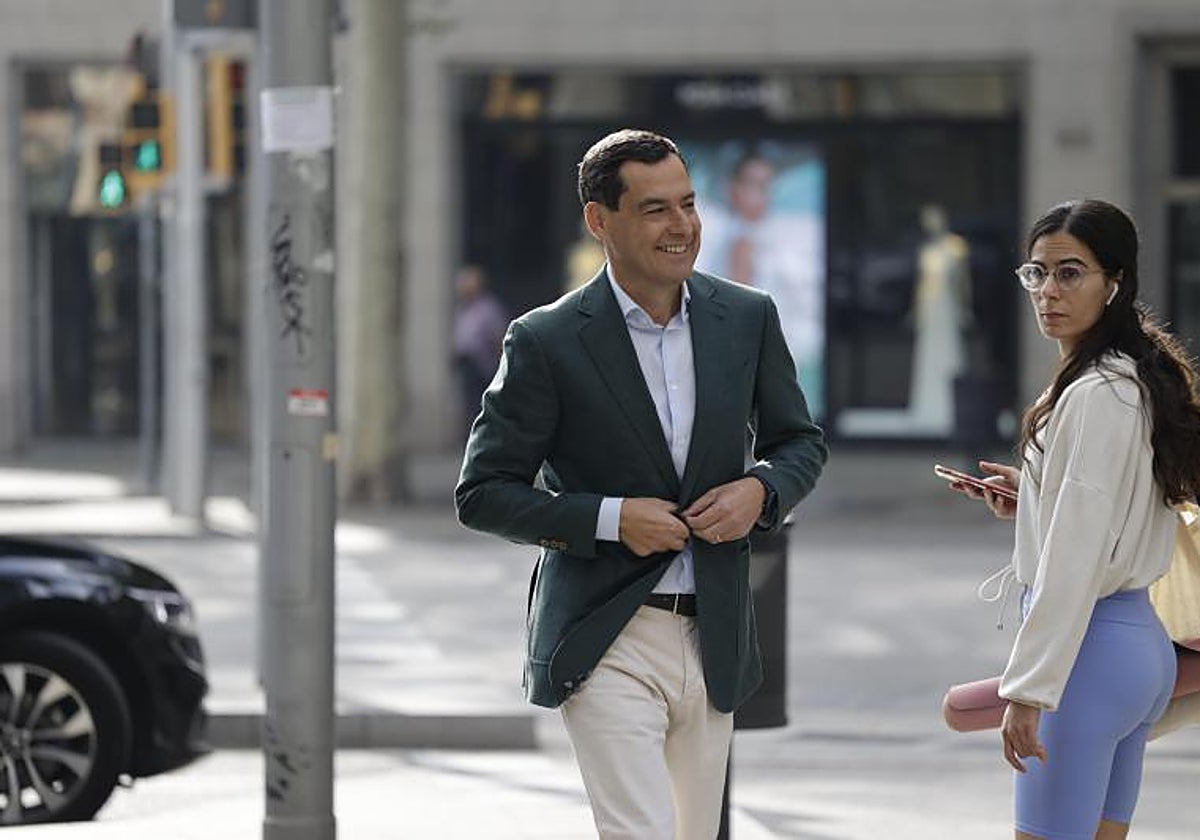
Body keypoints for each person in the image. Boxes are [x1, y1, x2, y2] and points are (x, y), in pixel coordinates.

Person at [455, 128, 827, 839]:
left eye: (688, 203)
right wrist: (610, 518)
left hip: (716, 632)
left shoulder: (747, 318)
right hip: (606, 636)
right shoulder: (545, 340)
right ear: (600, 221)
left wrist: (761, 490)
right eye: (656, 209)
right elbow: (483, 492)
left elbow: (799, 443)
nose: (681, 225)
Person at [947, 198, 1200, 840]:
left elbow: (1074, 555)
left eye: (1070, 273)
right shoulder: (1132, 379)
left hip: (1088, 658)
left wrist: (1030, 689)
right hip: (1135, 651)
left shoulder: (1096, 394)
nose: (1048, 291)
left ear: (1114, 282)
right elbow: (1116, 508)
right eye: (1037, 273)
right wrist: (1033, 495)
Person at [451, 264, 508, 442]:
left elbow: (497, 336)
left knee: (480, 406)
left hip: (481, 365)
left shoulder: (488, 308)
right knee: (468, 406)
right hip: (466, 364)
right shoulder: (463, 309)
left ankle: (482, 440)